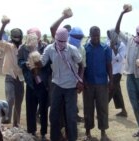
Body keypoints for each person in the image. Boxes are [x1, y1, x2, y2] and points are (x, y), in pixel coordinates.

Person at [35, 8, 84, 141]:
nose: (61, 44)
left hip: (71, 87)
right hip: (56, 85)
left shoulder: (72, 50)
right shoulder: (50, 49)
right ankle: (55, 138)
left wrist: (80, 80)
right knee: (54, 115)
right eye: (59, 42)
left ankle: (72, 138)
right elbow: (42, 63)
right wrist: (34, 61)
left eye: (64, 42)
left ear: (67, 40)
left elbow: (81, 64)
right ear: (55, 39)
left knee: (71, 116)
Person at [114, 5, 139, 137]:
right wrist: (122, 14)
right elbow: (117, 29)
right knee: (134, 104)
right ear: (136, 32)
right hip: (130, 76)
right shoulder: (129, 40)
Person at [18, 28, 50, 140]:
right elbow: (20, 61)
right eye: (30, 38)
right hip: (31, 83)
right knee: (30, 109)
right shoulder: (23, 48)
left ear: (39, 38)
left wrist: (39, 64)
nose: (32, 41)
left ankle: (43, 133)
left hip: (42, 84)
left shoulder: (45, 47)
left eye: (35, 38)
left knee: (43, 110)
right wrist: (25, 64)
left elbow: (48, 63)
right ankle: (31, 132)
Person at [83, 26, 113, 141]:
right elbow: (82, 67)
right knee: (88, 108)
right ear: (90, 35)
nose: (96, 38)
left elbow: (109, 65)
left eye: (98, 35)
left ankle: (103, 133)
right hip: (88, 84)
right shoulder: (84, 48)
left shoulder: (106, 48)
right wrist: (83, 80)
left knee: (102, 108)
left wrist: (111, 81)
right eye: (94, 35)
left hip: (102, 84)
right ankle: (88, 132)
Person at [0, 16, 24, 127]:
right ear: (12, 38)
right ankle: (6, 118)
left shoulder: (23, 47)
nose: (16, 38)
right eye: (14, 37)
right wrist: (3, 25)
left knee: (19, 101)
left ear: (21, 37)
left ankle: (16, 124)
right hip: (9, 77)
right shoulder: (8, 46)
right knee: (10, 98)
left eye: (18, 37)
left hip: (20, 78)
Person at [106, 29, 127, 117]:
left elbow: (120, 58)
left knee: (110, 90)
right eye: (109, 35)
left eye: (111, 35)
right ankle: (123, 111)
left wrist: (113, 48)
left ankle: (102, 107)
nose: (110, 37)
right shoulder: (107, 43)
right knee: (117, 91)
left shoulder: (121, 45)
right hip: (111, 70)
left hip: (118, 71)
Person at [68, 26, 86, 122]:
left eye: (80, 37)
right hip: (63, 79)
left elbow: (83, 66)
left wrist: (80, 81)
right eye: (76, 37)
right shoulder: (64, 45)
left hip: (75, 79)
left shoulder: (82, 48)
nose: (78, 39)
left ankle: (74, 116)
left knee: (73, 99)